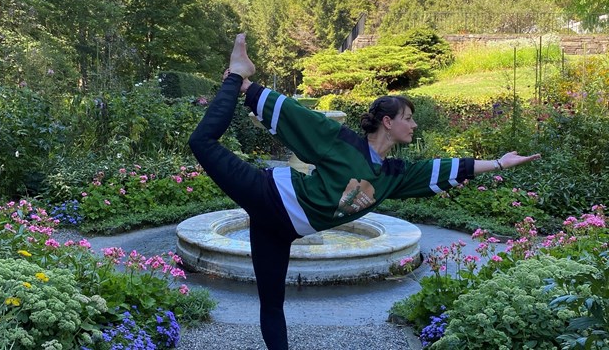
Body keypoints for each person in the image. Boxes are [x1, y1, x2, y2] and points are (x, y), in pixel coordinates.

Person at [188, 33, 541, 350]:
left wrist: (498, 162)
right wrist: (247, 89)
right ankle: (236, 72)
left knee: (272, 303)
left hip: (279, 231)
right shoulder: (342, 143)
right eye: (408, 117)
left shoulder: (394, 176)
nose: (414, 124)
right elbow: (297, 117)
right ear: (388, 122)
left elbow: (445, 168)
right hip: (267, 195)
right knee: (201, 142)